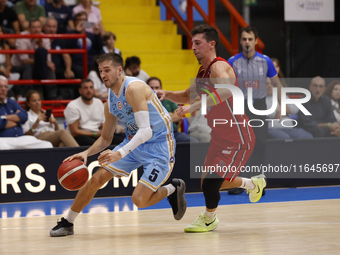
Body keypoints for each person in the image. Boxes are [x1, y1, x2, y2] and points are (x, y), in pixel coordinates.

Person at [50, 53, 187, 237]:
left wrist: (120, 153)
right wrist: (86, 153)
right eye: (100, 71)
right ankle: (68, 222)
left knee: (139, 200)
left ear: (119, 70)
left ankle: (173, 188)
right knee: (96, 179)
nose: (103, 75)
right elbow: (106, 138)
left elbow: (146, 131)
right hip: (133, 143)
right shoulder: (110, 102)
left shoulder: (134, 88)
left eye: (107, 70)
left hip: (158, 146)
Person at [157, 24, 266, 233]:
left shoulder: (218, 66)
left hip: (237, 135)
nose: (193, 47)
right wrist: (165, 93)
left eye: (198, 43)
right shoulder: (203, 71)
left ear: (211, 44)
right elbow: (187, 95)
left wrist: (194, 106)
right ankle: (252, 184)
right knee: (208, 181)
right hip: (220, 136)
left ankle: (209, 218)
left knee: (210, 184)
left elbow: (226, 91)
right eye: (192, 43)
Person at [228, 26, 281, 172]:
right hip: (239, 106)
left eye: (250, 39)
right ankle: (237, 181)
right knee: (239, 144)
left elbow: (277, 84)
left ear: (256, 41)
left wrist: (280, 106)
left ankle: (257, 179)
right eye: (244, 39)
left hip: (259, 105)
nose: (247, 42)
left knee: (261, 143)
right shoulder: (232, 62)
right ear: (240, 41)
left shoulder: (265, 61)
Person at [0, 75, 53, 149]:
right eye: (0, 86)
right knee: (2, 147)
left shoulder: (12, 102)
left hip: (21, 138)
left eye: (5, 87)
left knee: (47, 145)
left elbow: (24, 116)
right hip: (3, 139)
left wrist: (3, 118)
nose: (3, 89)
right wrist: (16, 119)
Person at [11, 18, 57, 100]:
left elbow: (48, 59)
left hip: (37, 65)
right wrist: (44, 61)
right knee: (28, 67)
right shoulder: (22, 37)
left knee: (50, 68)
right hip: (19, 67)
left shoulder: (45, 37)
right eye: (34, 27)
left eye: (38, 27)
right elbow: (25, 60)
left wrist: (40, 45)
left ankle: (52, 97)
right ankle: (28, 96)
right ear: (29, 29)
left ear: (41, 28)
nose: (37, 30)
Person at [147, 76, 199, 143]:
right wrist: (170, 115)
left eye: (157, 87)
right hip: (153, 134)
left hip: (173, 133)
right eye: (151, 88)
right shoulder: (143, 102)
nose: (154, 90)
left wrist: (159, 117)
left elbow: (179, 116)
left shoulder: (169, 100)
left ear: (161, 88)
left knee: (193, 142)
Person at [43, 16, 75, 99]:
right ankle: (52, 98)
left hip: (58, 68)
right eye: (49, 26)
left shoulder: (60, 39)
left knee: (74, 73)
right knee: (50, 73)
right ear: (44, 27)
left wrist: (68, 68)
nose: (51, 29)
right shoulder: (40, 39)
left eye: (54, 27)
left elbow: (66, 55)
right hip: (45, 68)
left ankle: (68, 98)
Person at [66, 11, 103, 79]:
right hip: (76, 64)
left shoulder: (90, 35)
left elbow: (99, 48)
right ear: (75, 22)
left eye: (84, 20)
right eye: (79, 20)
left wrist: (97, 35)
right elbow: (69, 47)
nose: (82, 22)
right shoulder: (70, 34)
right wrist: (77, 32)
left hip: (89, 63)